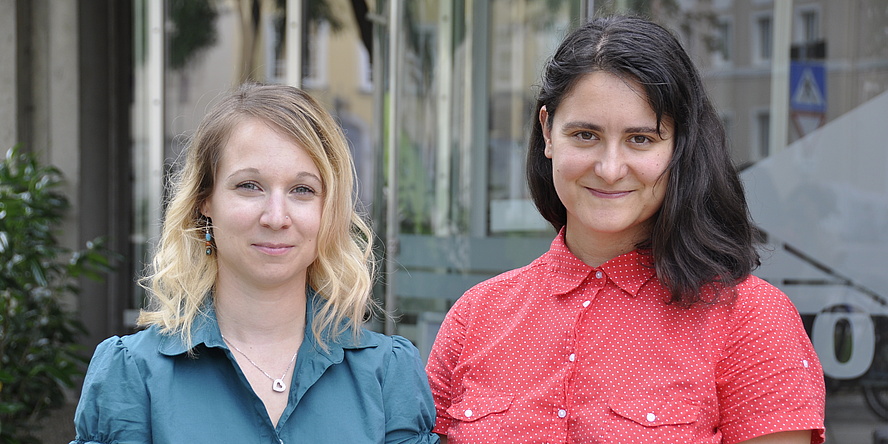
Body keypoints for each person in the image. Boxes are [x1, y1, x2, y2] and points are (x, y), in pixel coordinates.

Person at [426, 15, 825, 444]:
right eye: (585, 135)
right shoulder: (475, 317)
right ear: (547, 131)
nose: (610, 169)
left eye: (641, 139)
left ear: (679, 146)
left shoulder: (750, 319)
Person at [71, 83, 439, 443]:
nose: (276, 217)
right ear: (205, 200)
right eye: (249, 185)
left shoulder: (387, 374)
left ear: (329, 210)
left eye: (302, 190)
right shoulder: (132, 374)